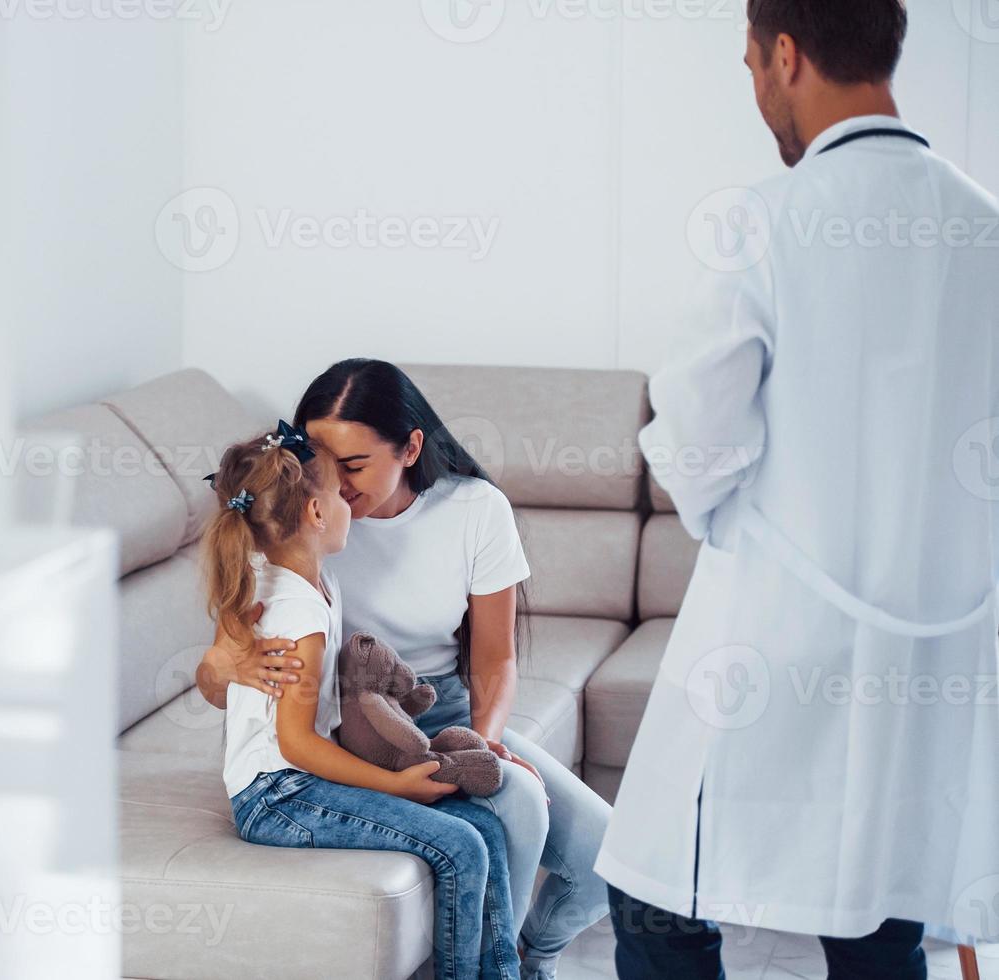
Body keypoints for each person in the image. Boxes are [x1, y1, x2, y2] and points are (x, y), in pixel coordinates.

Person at [595, 1, 999, 977]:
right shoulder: (984, 227)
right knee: (877, 905)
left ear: (784, 54)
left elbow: (693, 443)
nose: (756, 93)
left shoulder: (760, 220)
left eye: (749, 66)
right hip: (930, 653)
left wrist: (739, 514)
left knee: (652, 900)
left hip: (766, 642)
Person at [199, 364, 612, 980]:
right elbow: (223, 677)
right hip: (344, 722)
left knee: (605, 854)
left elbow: (496, 657)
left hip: (433, 702)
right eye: (324, 461)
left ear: (410, 447)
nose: (338, 481)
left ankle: (529, 956)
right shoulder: (296, 526)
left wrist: (487, 738)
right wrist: (230, 667)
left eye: (355, 465)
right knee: (515, 802)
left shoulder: (474, 509)